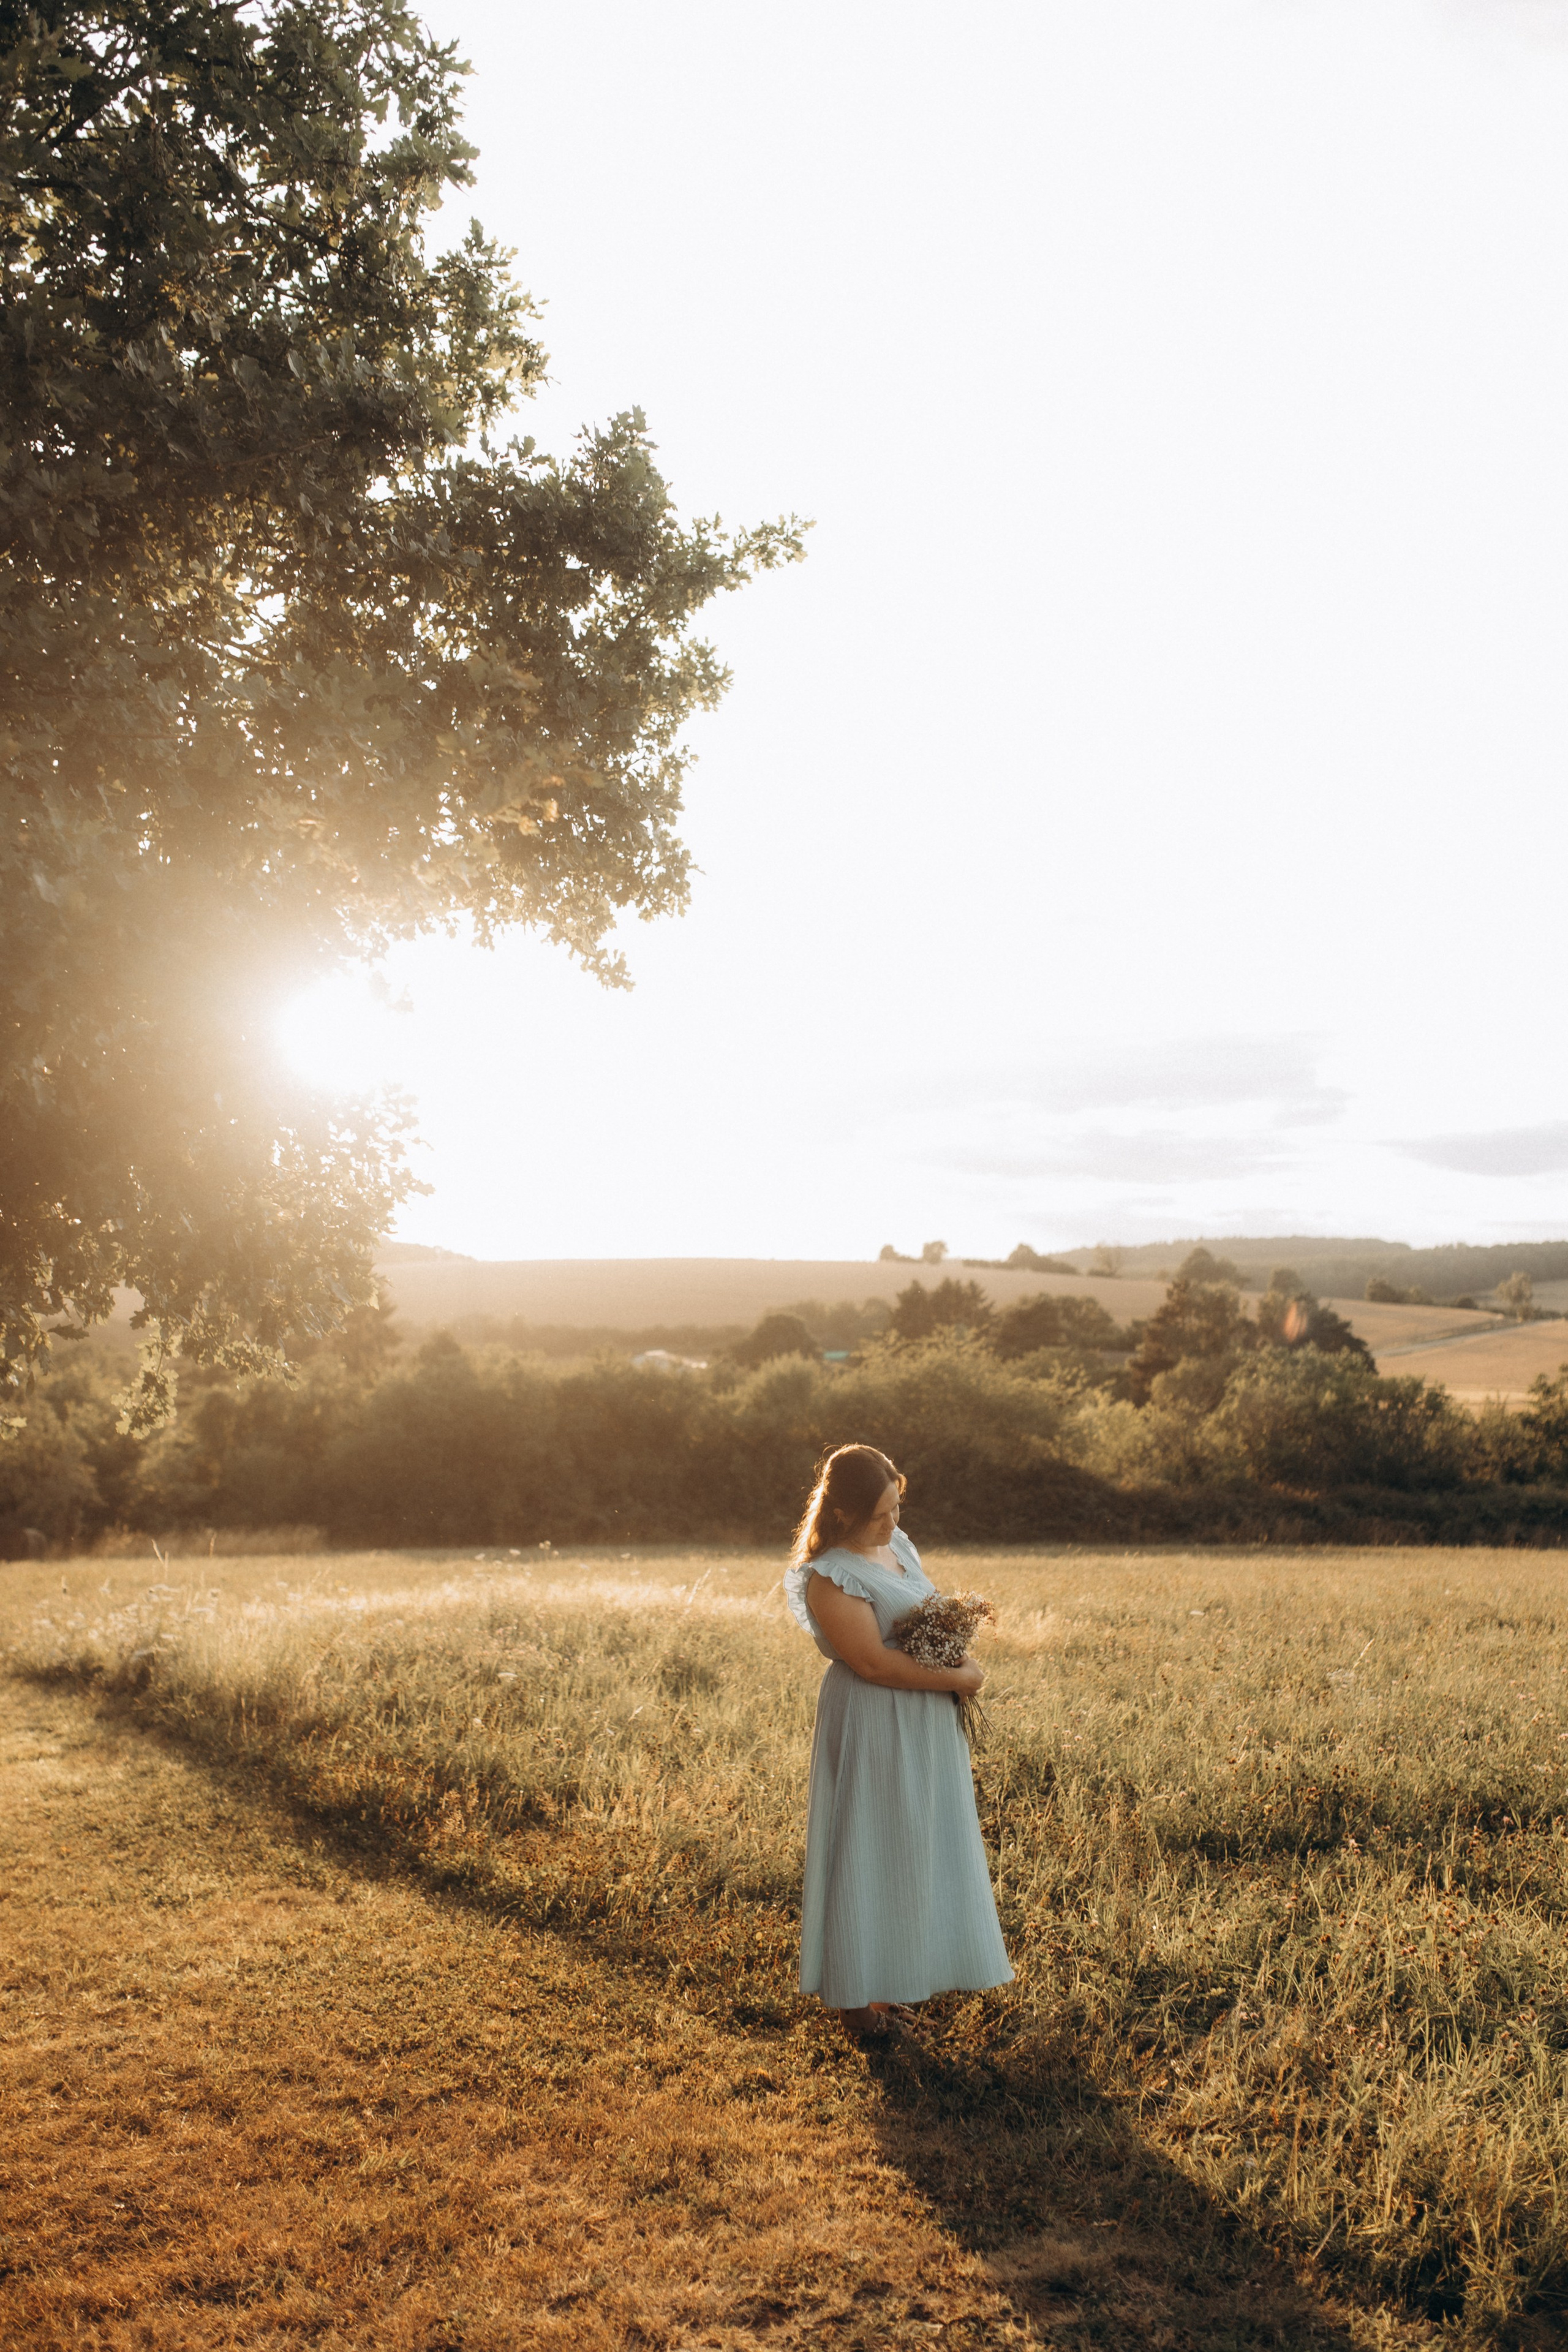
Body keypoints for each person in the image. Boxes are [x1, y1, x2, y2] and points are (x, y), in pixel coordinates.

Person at [784, 1442, 1013, 2041]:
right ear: (844, 1513)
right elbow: (872, 1664)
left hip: (923, 1725)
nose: (893, 1522)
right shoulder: (830, 1575)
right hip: (873, 1725)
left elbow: (919, 1618)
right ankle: (857, 2006)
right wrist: (961, 1676)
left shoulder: (897, 1546)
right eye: (881, 1513)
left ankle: (891, 1986)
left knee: (910, 1853)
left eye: (896, 1506)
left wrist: (952, 1639)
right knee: (869, 1851)